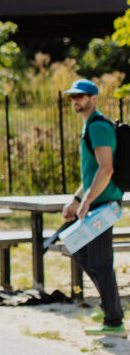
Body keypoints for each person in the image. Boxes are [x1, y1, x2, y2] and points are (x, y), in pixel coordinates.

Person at [62, 79, 126, 337]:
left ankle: (114, 322)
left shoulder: (98, 126)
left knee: (100, 261)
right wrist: (77, 199)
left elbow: (106, 168)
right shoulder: (91, 126)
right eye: (72, 97)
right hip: (96, 201)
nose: (76, 100)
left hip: (104, 203)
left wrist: (87, 201)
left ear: (94, 98)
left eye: (81, 96)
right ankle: (110, 306)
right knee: (80, 250)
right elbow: (91, 174)